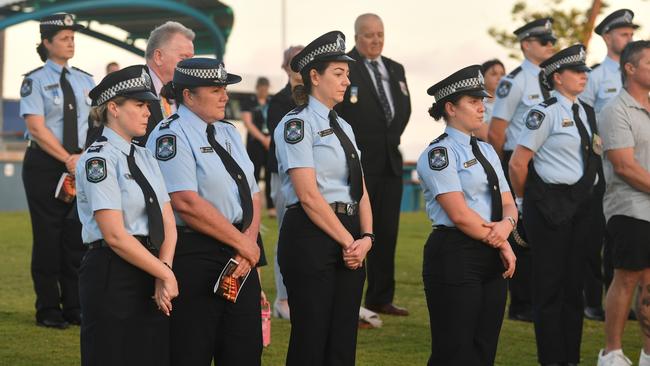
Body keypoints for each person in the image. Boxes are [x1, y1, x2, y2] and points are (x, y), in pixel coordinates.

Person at [146, 57, 265, 366]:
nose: (225, 96)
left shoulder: (227, 132)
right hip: (196, 255)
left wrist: (248, 246)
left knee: (245, 351)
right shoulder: (170, 134)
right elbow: (185, 201)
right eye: (215, 89)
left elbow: (253, 193)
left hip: (241, 254)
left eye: (224, 88)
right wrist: (244, 244)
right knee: (191, 350)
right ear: (188, 95)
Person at [274, 30, 372, 365]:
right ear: (314, 76)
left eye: (347, 74)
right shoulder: (297, 125)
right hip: (311, 234)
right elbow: (308, 195)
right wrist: (349, 241)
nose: (346, 81)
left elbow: (360, 189)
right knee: (311, 340)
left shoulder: (345, 126)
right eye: (339, 74)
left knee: (343, 341)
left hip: (349, 234)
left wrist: (367, 238)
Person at [76, 65, 178, 366]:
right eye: (139, 105)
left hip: (150, 267)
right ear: (113, 108)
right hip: (112, 271)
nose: (148, 112)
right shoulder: (99, 159)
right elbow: (116, 235)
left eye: (148, 105)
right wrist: (165, 273)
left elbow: (168, 221)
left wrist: (163, 269)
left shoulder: (145, 156)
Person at [417, 64, 517, 366]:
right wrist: (502, 241)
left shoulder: (487, 151)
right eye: (473, 102)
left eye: (482, 100)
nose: (481, 107)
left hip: (490, 254)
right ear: (450, 107)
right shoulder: (440, 154)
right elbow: (459, 214)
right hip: (455, 254)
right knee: (454, 349)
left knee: (484, 348)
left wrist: (507, 225)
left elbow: (509, 203)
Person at [509, 44, 601, 366]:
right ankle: (551, 359)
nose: (583, 77)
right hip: (548, 207)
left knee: (574, 288)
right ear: (557, 77)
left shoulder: (586, 112)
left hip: (580, 208)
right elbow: (518, 164)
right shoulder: (543, 113)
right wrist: (522, 204)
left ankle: (570, 359)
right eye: (577, 72)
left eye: (585, 71)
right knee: (549, 289)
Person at [19, 13, 95, 329]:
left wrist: (84, 157)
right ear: (47, 43)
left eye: (73, 37)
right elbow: (36, 127)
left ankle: (74, 306)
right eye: (64, 38)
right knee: (48, 237)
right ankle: (48, 308)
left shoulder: (86, 80)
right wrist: (67, 158)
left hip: (78, 164)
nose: (70, 42)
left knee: (75, 237)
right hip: (46, 165)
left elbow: (96, 122)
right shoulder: (33, 81)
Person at [335, 13, 411, 316]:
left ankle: (380, 297)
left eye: (380, 34)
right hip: (360, 164)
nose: (375, 40)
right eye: (369, 35)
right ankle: (351, 297)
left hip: (391, 162)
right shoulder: (346, 67)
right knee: (356, 231)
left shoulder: (395, 69)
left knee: (387, 232)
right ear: (356, 37)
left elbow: (402, 110)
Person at [488, 17, 557, 322]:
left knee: (546, 233)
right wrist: (503, 171)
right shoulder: (513, 81)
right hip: (518, 162)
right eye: (544, 41)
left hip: (548, 165)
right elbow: (496, 132)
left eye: (552, 41)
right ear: (527, 44)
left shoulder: (553, 78)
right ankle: (521, 305)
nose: (551, 46)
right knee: (521, 235)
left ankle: (542, 300)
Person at [580, 9, 638, 322]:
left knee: (623, 237)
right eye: (623, 33)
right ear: (607, 37)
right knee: (595, 237)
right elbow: (585, 123)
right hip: (602, 170)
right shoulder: (594, 77)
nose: (628, 37)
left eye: (631, 33)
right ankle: (591, 300)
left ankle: (622, 301)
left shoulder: (639, 74)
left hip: (635, 168)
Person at [596, 40, 650, 366]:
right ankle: (612, 352)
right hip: (629, 208)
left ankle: (648, 352)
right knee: (627, 278)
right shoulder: (615, 110)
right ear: (630, 69)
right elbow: (623, 166)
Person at [86, 21, 196, 147]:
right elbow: (98, 143)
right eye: (183, 58)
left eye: (191, 59)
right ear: (158, 56)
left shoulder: (184, 92)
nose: (191, 65)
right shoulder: (126, 85)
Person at [266, 45, 304, 320]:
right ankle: (283, 297)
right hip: (283, 174)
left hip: (309, 174)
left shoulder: (315, 99)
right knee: (284, 233)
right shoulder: (279, 101)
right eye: (294, 63)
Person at [241, 76, 274, 215]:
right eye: (261, 88)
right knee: (253, 173)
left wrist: (270, 139)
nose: (264, 91)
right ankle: (252, 204)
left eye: (266, 89)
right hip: (255, 143)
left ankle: (271, 207)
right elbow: (248, 123)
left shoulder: (271, 102)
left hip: (269, 142)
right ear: (257, 88)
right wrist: (263, 139)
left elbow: (274, 120)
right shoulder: (249, 101)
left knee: (269, 174)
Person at [474, 59, 505, 141]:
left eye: (502, 74)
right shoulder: (476, 104)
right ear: (482, 78)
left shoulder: (509, 102)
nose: (499, 78)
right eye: (494, 74)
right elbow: (485, 135)